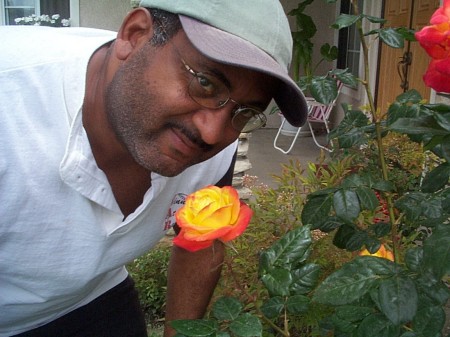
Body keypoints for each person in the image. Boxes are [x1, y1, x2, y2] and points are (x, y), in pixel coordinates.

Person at [0, 0, 307, 336]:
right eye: (205, 84)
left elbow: (200, 240)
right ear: (135, 35)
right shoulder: (11, 108)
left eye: (245, 112)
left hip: (96, 292)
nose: (212, 133)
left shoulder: (217, 136)